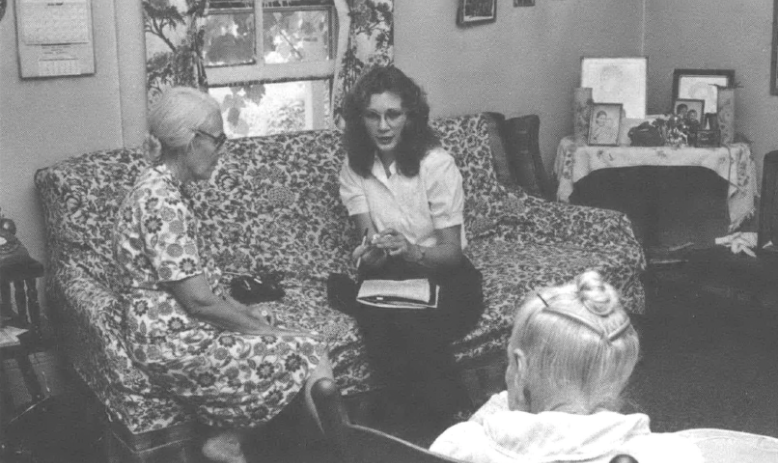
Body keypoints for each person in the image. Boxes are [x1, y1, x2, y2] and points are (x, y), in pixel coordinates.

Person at [111, 87, 332, 463]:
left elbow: (204, 287)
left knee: (287, 332)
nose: (221, 150)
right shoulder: (161, 202)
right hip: (174, 342)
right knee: (308, 350)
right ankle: (343, 453)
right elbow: (197, 302)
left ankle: (230, 440)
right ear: (188, 141)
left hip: (180, 330)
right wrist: (264, 333)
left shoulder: (167, 189)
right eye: (217, 139)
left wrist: (251, 318)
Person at [430, 270, 703, 463]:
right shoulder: (672, 454)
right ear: (622, 373)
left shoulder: (461, 446)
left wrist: (485, 420)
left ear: (520, 367)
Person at [334, 65, 484, 412]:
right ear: (360, 120)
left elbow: (452, 254)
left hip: (445, 274)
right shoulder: (354, 165)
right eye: (372, 116)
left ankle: (452, 421)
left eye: (393, 115)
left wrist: (412, 251)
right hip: (390, 274)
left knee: (411, 325)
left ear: (410, 117)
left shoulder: (437, 165)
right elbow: (369, 239)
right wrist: (371, 254)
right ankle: (433, 423)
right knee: (383, 324)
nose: (383, 126)